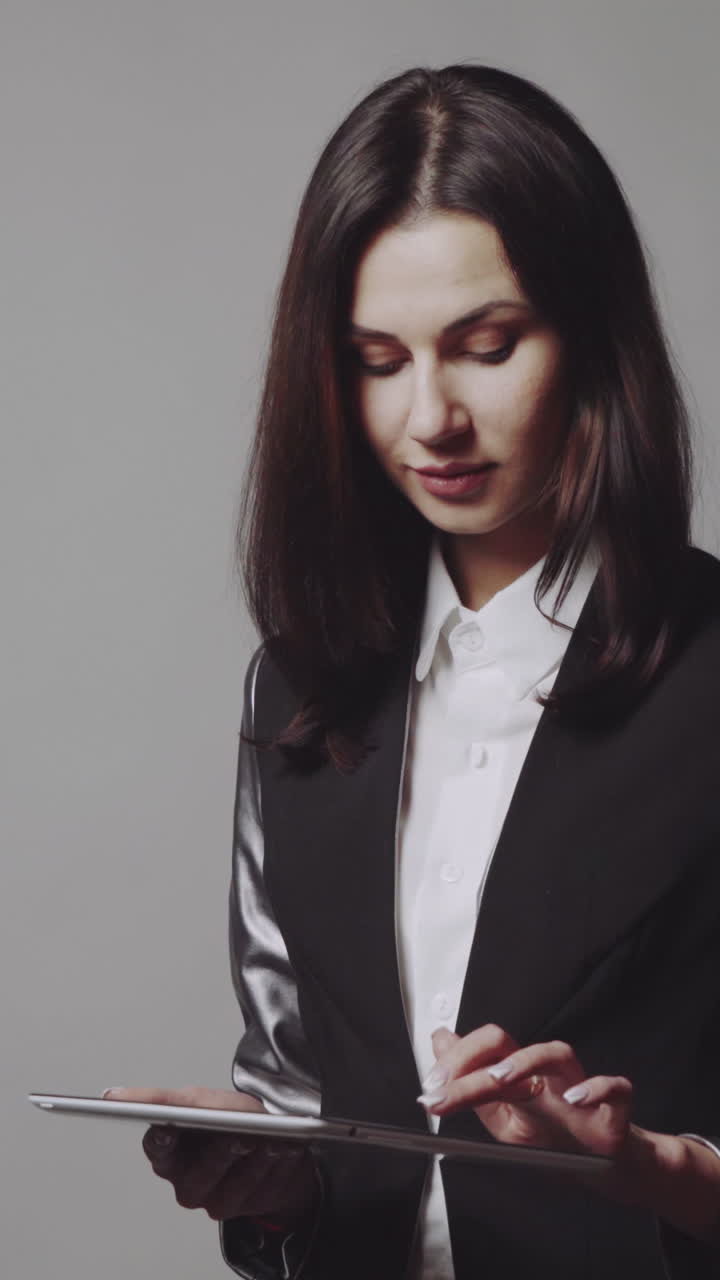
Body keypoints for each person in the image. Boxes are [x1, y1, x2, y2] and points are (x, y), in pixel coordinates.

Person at [109, 65, 720, 1278]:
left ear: (593, 335)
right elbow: (295, 1084)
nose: (429, 416)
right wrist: (271, 1173)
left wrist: (649, 1167)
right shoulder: (297, 682)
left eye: (485, 346)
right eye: (377, 358)